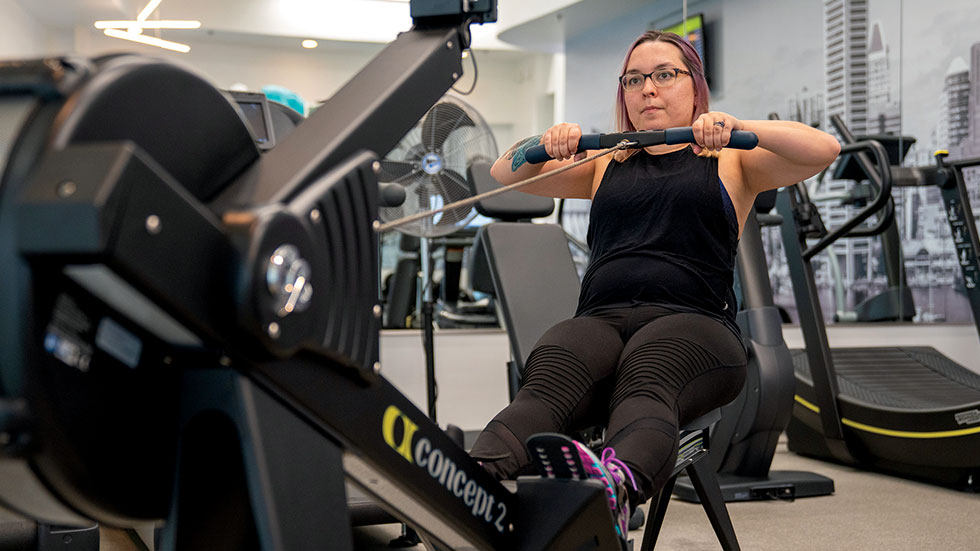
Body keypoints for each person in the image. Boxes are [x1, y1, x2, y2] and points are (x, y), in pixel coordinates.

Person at [468, 29, 841, 539]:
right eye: (635, 79)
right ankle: (471, 479)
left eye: (665, 75)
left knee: (650, 369)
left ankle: (612, 493)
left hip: (695, 327)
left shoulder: (730, 158)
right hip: (601, 320)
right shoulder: (604, 161)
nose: (648, 88)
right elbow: (503, 172)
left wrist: (735, 126)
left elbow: (824, 149)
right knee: (551, 370)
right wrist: (544, 142)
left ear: (694, 86)